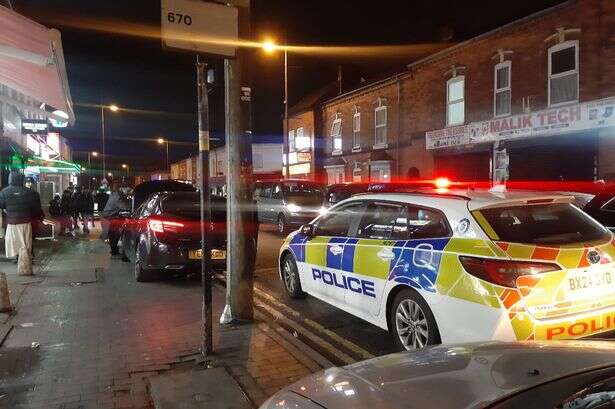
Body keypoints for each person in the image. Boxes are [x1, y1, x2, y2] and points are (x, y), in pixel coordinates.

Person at [0, 172, 44, 262]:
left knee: (15, 241)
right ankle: (26, 258)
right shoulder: (31, 193)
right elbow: (36, 208)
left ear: (10, 179)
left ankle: (17, 257)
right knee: (26, 241)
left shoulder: (4, 192)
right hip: (26, 221)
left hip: (12, 222)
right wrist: (41, 217)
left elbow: (2, 205)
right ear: (22, 180)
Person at [102, 183, 130, 257]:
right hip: (110, 215)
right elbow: (123, 206)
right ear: (121, 188)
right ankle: (114, 250)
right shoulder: (117, 196)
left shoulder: (117, 194)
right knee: (115, 233)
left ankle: (114, 250)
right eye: (127, 189)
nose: (127, 191)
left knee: (113, 233)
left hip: (111, 215)